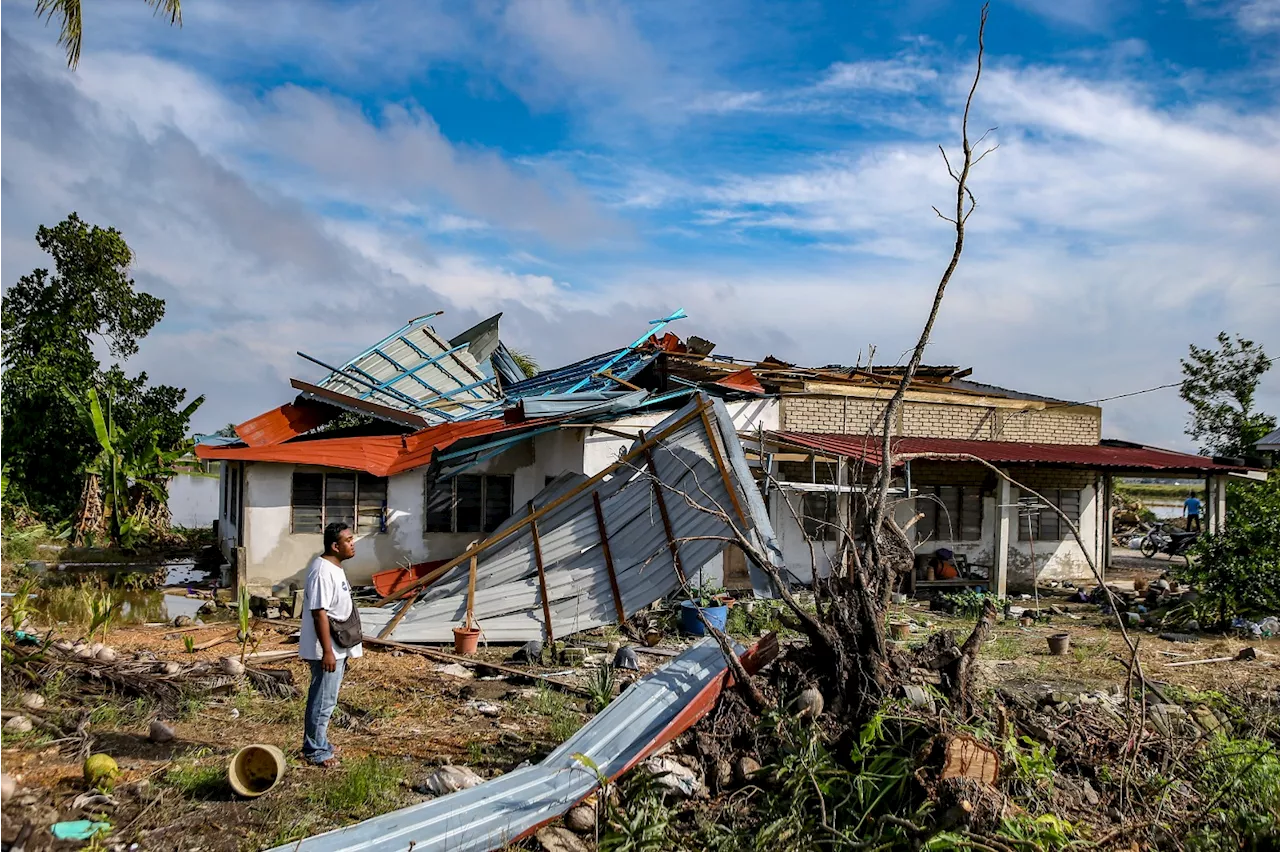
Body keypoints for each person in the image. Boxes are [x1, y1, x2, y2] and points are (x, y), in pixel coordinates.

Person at [299, 522, 362, 768]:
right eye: (348, 541)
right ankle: (315, 751)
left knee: (328, 699)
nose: (352, 544)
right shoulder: (322, 572)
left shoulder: (334, 568)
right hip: (326, 649)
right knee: (322, 700)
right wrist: (327, 651)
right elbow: (319, 614)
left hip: (336, 646)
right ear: (335, 546)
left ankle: (320, 743)